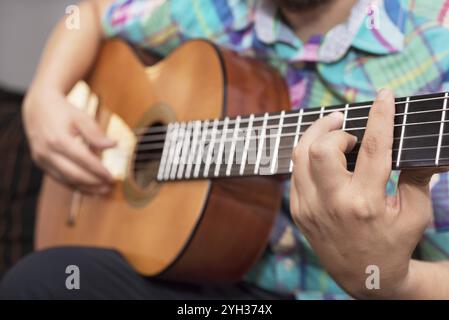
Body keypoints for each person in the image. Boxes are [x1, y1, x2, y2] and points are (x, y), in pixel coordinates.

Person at [2, 0, 449, 299]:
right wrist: (44, 94)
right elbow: (92, 11)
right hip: (222, 286)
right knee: (41, 283)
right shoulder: (215, 9)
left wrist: (395, 282)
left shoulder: (437, 34)